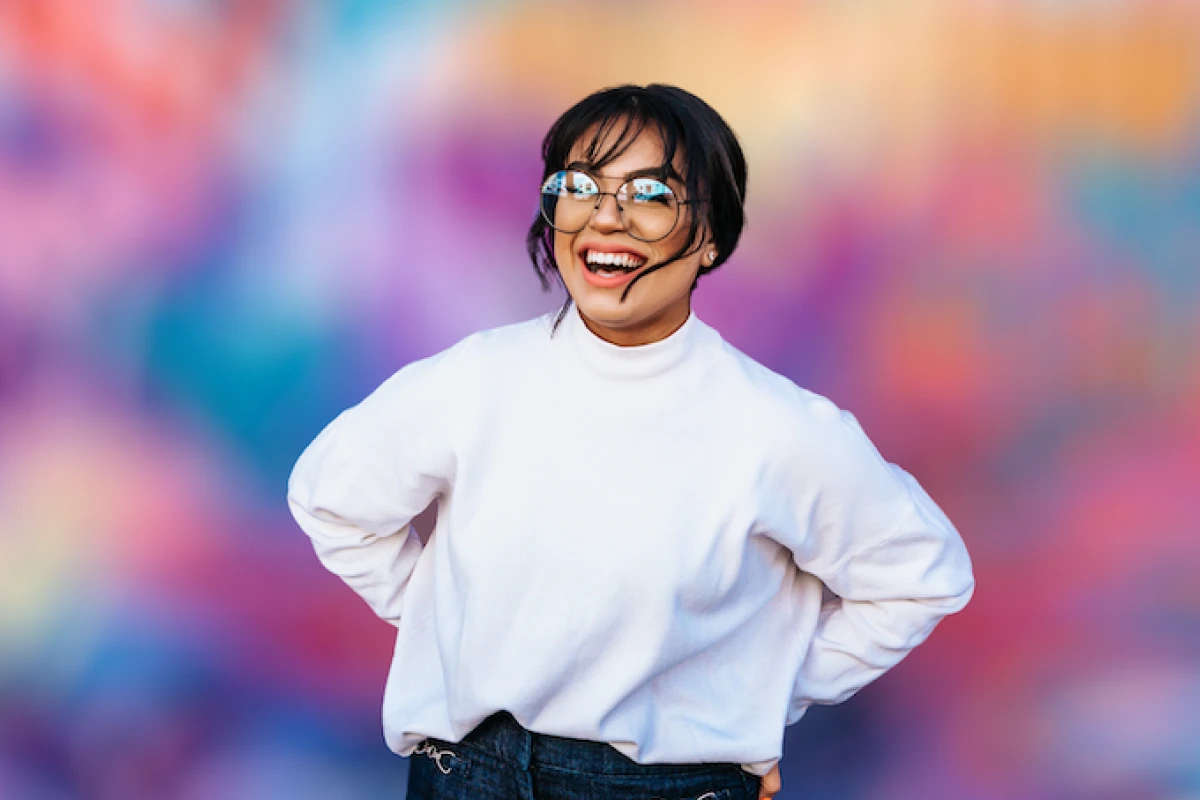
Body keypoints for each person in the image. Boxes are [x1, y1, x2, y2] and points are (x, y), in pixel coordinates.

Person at [287, 83, 975, 800]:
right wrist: (459, 631)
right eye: (580, 187)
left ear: (710, 235)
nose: (605, 219)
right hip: (469, 777)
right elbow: (333, 500)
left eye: (648, 194)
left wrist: (752, 697)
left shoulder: (775, 426)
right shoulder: (477, 380)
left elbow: (919, 577)